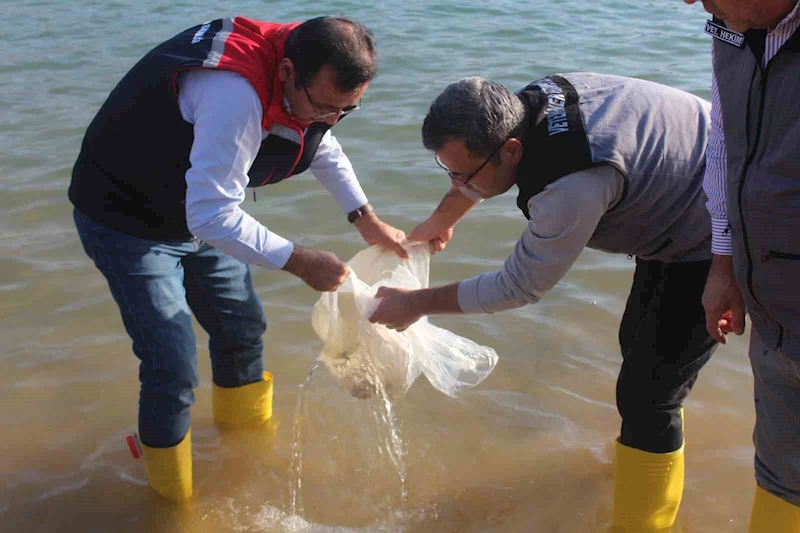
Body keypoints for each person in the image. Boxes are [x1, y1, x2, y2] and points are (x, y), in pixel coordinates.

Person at [69, 16, 407, 502]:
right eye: (325, 106)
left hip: (197, 214)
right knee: (171, 365)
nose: (330, 119)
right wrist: (299, 260)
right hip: (126, 219)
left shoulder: (309, 85)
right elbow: (212, 214)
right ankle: (172, 505)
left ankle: (243, 461)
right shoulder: (234, 92)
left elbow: (320, 144)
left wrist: (365, 217)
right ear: (288, 70)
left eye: (346, 110)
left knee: (242, 331)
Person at [369, 73, 718, 531]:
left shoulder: (571, 185)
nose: (455, 182)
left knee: (650, 395)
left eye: (460, 173)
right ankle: (637, 460)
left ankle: (644, 523)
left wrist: (416, 303)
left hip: (720, 227)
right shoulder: (526, 105)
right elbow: (481, 173)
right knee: (637, 346)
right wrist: (440, 219)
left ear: (511, 150)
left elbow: (520, 286)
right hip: (677, 189)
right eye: (446, 170)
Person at [683, 1, 800, 531]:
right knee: (780, 479)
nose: (694, 2)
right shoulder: (732, 27)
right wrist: (724, 263)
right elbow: (723, 142)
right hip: (771, 305)